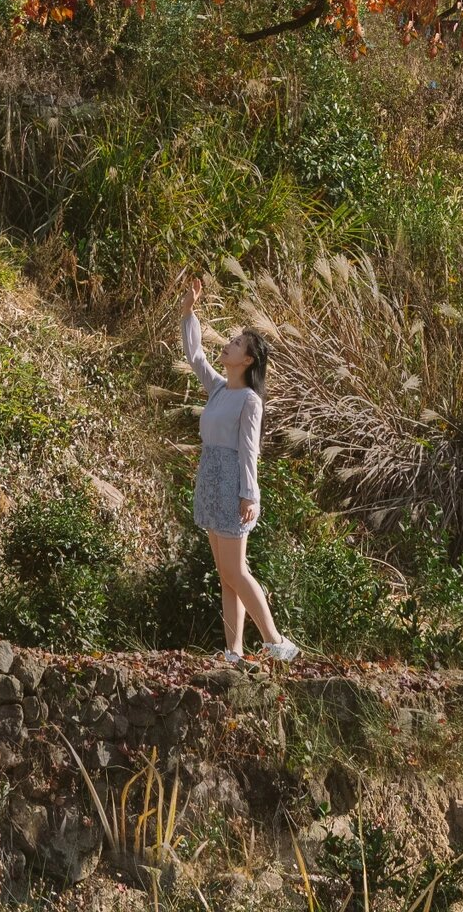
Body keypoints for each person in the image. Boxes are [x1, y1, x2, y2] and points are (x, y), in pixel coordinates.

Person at [178, 276, 299, 664]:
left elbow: (250, 450)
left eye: (235, 345)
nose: (227, 346)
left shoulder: (249, 399)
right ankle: (233, 650)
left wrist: (251, 494)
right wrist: (188, 313)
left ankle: (275, 640)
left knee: (235, 569)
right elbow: (195, 355)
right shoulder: (218, 388)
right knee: (226, 572)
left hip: (233, 483)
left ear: (246, 360)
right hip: (210, 476)